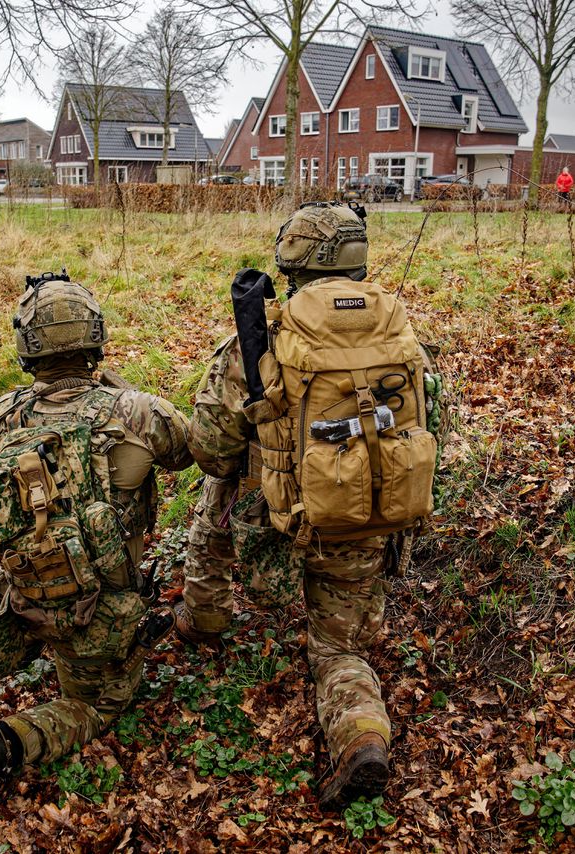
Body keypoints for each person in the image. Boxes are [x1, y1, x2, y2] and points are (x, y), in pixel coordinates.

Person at [176, 202, 446, 811]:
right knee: (338, 652)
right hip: (364, 525)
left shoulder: (260, 344)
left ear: (289, 263)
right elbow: (434, 428)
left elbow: (212, 449)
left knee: (219, 488)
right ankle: (361, 733)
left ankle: (206, 614)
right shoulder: (403, 340)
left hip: (275, 535)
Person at [0, 272, 193, 815]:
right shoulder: (138, 412)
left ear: (27, 348)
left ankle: (51, 646)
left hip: (22, 599)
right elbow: (189, 451)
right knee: (100, 705)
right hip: (98, 604)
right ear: (95, 339)